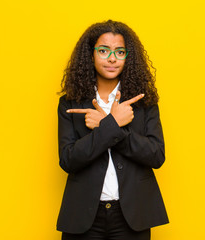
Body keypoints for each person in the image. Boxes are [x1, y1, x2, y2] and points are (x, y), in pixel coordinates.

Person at [57, 20, 169, 240]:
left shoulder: (144, 104)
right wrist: (112, 124)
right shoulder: (70, 104)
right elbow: (68, 160)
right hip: (83, 215)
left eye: (120, 52)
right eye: (103, 50)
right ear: (91, 55)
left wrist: (106, 126)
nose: (112, 58)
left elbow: (156, 155)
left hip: (132, 216)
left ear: (128, 57)